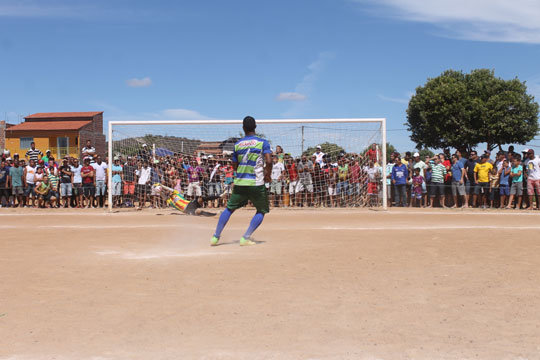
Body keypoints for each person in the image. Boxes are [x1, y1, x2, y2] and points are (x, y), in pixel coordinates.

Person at [211, 116, 272, 246]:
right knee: (261, 210)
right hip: (256, 183)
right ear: (255, 127)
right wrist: (268, 174)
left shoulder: (237, 144)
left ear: (243, 128)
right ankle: (245, 237)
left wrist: (240, 170)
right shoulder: (263, 143)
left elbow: (234, 164)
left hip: (240, 182)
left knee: (229, 209)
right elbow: (269, 161)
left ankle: (215, 237)